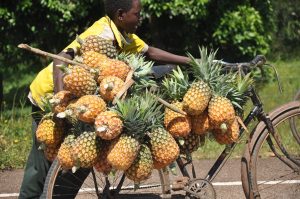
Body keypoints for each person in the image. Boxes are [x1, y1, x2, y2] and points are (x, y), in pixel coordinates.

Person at [19, 0, 191, 198]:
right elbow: (60, 57)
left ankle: (55, 195)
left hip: (79, 103)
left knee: (83, 156)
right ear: (121, 15)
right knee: (40, 166)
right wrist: (60, 103)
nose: (140, 18)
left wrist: (191, 61)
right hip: (49, 97)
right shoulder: (101, 33)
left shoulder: (126, 36)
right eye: (137, 14)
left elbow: (150, 52)